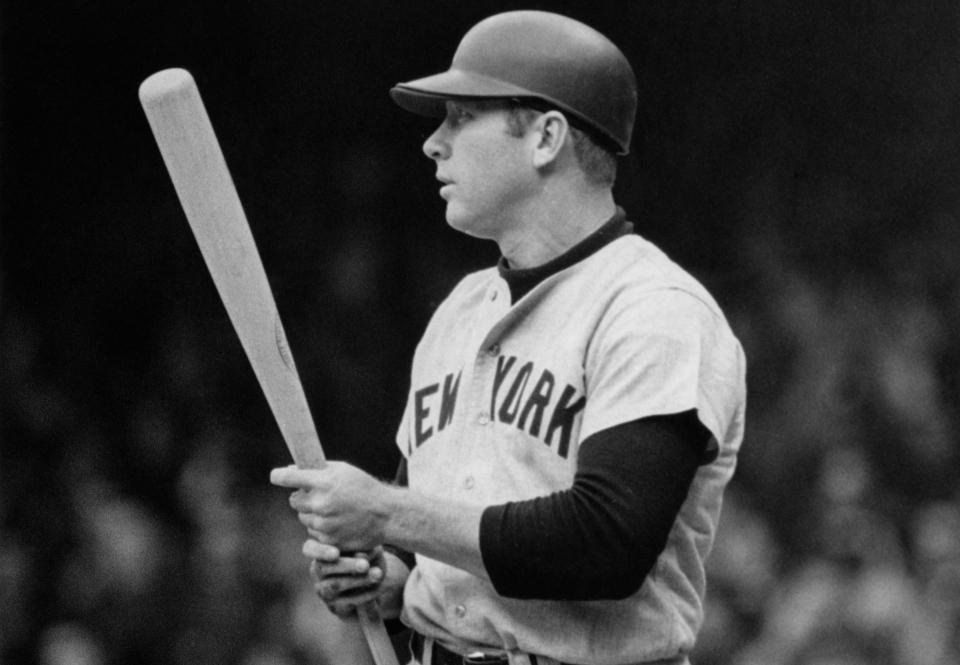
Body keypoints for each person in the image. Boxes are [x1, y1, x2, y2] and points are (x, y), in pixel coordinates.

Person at [271, 10, 746, 665]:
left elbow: (606, 545)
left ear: (547, 136)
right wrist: (389, 577)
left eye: (461, 116)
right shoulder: (459, 311)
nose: (433, 143)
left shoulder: (654, 308)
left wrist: (383, 513)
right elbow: (427, 539)